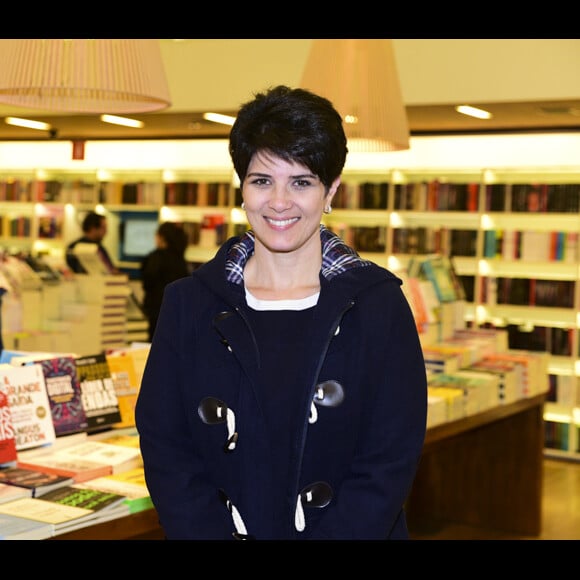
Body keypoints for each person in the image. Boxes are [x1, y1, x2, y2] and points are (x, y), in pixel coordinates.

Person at [135, 85, 428, 540]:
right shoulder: (189, 303)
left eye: (302, 182)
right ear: (242, 188)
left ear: (331, 191)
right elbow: (165, 444)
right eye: (262, 180)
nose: (279, 202)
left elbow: (389, 459)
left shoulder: (378, 303)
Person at [140, 221, 190, 341]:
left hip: (157, 309)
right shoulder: (180, 260)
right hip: (177, 310)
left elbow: (148, 282)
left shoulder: (156, 258)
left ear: (162, 237)